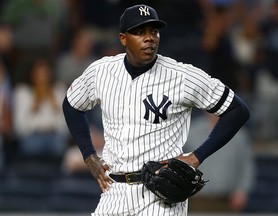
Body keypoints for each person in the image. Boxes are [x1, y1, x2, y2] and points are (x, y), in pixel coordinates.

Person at [62, 4, 250, 216]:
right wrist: (89, 155)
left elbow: (237, 110)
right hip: (113, 191)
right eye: (140, 32)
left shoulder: (182, 76)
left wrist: (196, 156)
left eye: (154, 31)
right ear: (123, 38)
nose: (149, 37)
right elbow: (71, 105)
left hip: (159, 197)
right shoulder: (101, 72)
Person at [183, 112, 255, 213]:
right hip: (197, 201)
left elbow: (246, 166)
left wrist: (242, 191)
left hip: (227, 202)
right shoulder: (190, 132)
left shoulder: (239, 135)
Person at [13, 59, 68, 157]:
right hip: (32, 136)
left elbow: (66, 127)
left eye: (45, 73)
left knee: (60, 146)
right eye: (39, 73)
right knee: (32, 146)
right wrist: (34, 105)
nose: (42, 77)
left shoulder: (58, 90)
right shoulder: (23, 92)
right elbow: (19, 128)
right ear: (32, 74)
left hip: (54, 135)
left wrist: (54, 105)